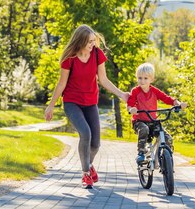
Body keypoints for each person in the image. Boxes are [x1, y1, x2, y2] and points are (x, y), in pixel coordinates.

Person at [44, 24, 129, 189]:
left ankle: (88, 165)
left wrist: (121, 94)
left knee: (96, 143)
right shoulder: (69, 58)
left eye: (93, 41)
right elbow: (61, 84)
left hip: (91, 102)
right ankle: (86, 174)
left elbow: (103, 80)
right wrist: (51, 106)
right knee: (85, 133)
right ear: (81, 41)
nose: (93, 44)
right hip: (71, 102)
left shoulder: (97, 54)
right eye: (89, 41)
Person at [127, 63, 187, 165]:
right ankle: (141, 153)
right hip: (139, 121)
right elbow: (130, 104)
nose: (142, 81)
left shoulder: (154, 91)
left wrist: (178, 104)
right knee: (144, 130)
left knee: (167, 138)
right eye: (140, 78)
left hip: (153, 121)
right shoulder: (135, 91)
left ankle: (167, 157)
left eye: (145, 78)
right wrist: (131, 109)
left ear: (152, 79)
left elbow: (167, 98)